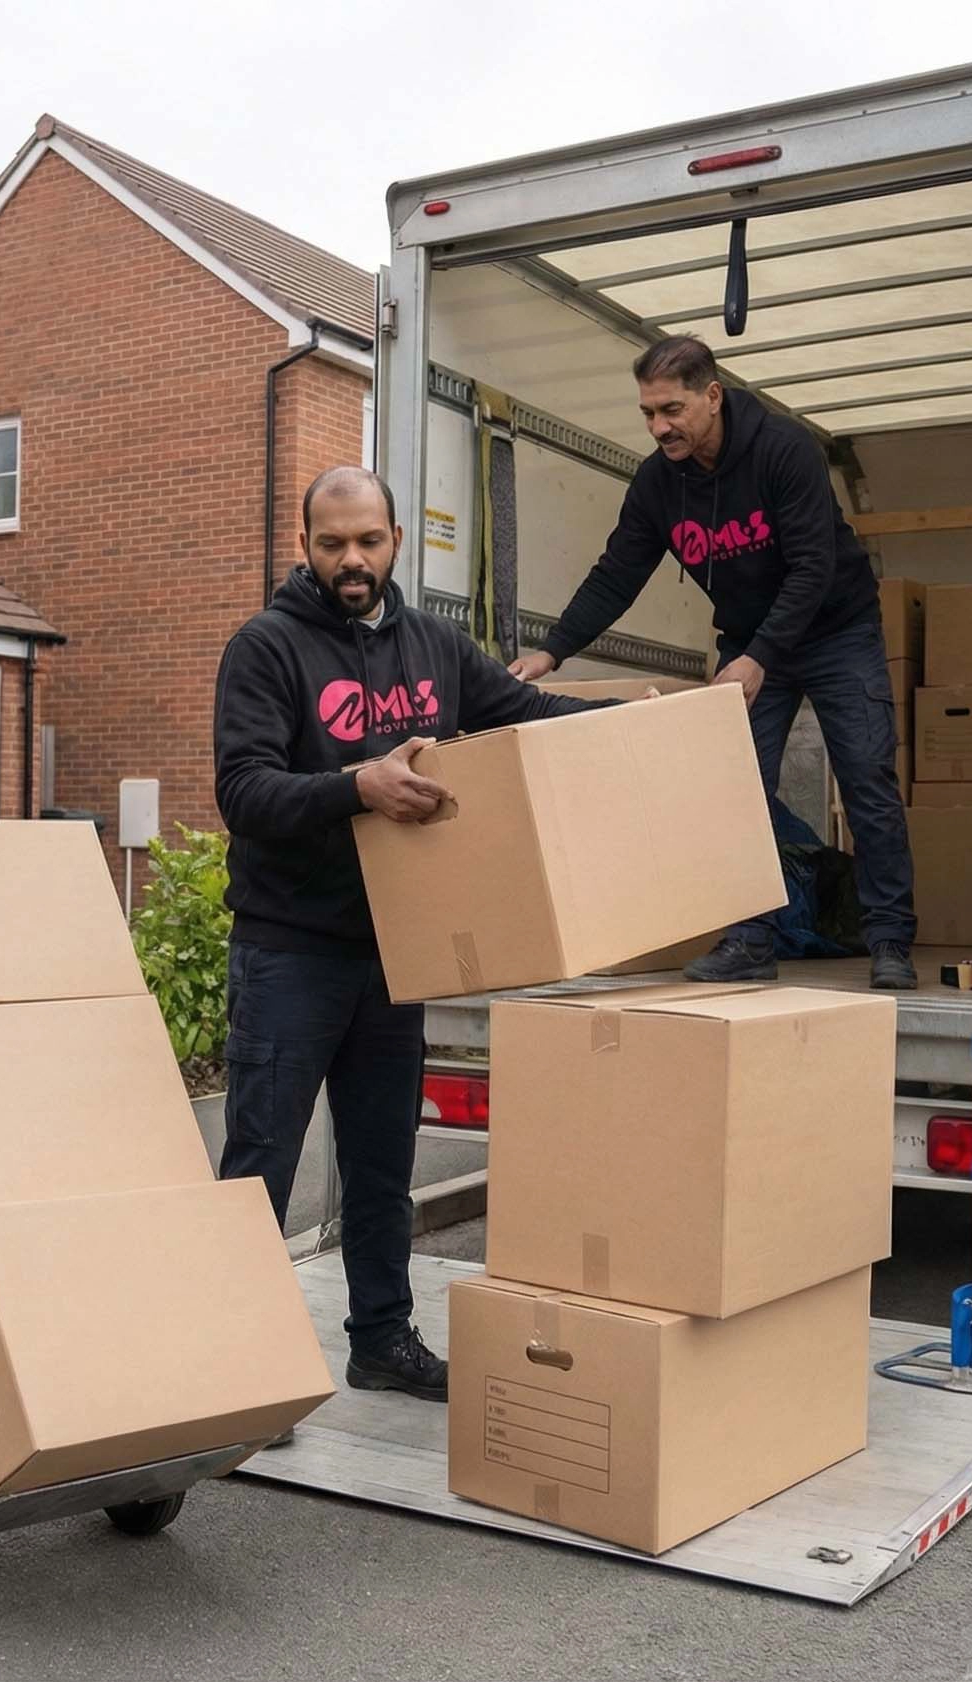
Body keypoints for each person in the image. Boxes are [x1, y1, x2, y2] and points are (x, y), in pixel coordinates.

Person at [213, 466, 611, 1405]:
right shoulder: (266, 649)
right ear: (305, 545)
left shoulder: (435, 646)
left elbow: (528, 717)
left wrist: (641, 722)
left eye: (368, 541)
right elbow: (245, 793)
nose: (351, 561)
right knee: (259, 1167)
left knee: (383, 1158)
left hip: (396, 951)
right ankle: (238, 1370)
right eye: (331, 543)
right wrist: (359, 786)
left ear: (397, 540)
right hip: (289, 950)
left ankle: (381, 1341)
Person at [507, 335, 918, 989]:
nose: (658, 426)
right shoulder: (657, 483)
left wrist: (759, 657)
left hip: (836, 630)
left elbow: (814, 567)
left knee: (867, 782)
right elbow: (618, 573)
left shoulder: (784, 452)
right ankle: (751, 939)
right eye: (647, 413)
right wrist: (553, 650)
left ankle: (890, 941)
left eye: (670, 410)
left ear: (712, 396)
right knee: (736, 790)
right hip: (752, 641)